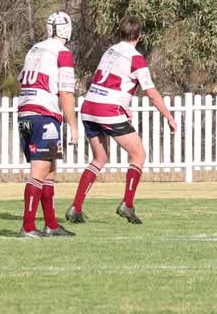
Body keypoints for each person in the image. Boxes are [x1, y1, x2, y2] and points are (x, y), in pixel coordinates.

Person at [67, 16, 178, 225]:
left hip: (89, 106)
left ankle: (76, 207)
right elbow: (151, 93)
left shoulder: (109, 51)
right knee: (138, 154)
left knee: (99, 159)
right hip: (108, 109)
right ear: (140, 36)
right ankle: (127, 204)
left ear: (120, 33)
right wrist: (169, 117)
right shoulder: (136, 58)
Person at [16, 12, 80, 237]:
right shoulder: (62, 53)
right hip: (44, 115)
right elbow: (65, 92)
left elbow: (21, 79)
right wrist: (73, 125)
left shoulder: (34, 49)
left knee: (50, 170)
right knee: (39, 171)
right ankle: (27, 227)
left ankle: (51, 225)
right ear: (67, 29)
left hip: (25, 114)